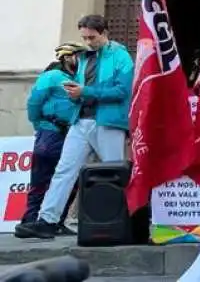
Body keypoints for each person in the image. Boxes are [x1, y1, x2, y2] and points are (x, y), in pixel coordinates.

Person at [16, 15, 133, 239]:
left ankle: (123, 221)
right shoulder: (84, 58)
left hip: (108, 123)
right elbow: (81, 89)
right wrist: (74, 95)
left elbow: (122, 91)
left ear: (104, 33)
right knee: (64, 170)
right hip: (80, 121)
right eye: (84, 37)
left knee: (115, 173)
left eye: (92, 37)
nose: (89, 41)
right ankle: (47, 220)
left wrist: (85, 92)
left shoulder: (121, 57)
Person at [14, 43, 88, 238]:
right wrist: (40, 125)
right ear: (67, 57)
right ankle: (30, 221)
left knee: (70, 180)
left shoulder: (79, 80)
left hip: (72, 134)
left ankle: (57, 221)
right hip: (51, 133)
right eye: (77, 56)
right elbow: (34, 102)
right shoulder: (52, 76)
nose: (81, 59)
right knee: (41, 178)